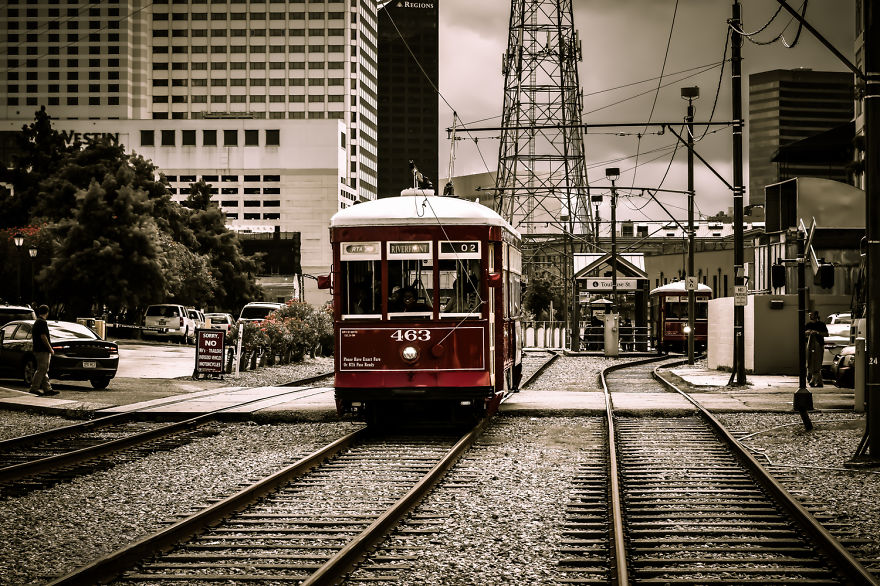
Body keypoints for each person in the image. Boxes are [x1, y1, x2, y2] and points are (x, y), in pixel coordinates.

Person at [28, 304, 58, 396]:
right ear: (47, 312)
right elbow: (43, 337)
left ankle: (47, 389)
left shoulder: (37, 322)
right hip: (42, 350)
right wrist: (50, 348)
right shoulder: (42, 322)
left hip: (38, 349)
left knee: (43, 369)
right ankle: (34, 388)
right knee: (42, 369)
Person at [805, 310, 828, 388]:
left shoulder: (821, 324)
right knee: (810, 362)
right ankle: (820, 382)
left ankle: (813, 380)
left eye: (811, 314)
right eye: (809, 315)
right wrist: (807, 333)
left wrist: (817, 332)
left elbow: (826, 334)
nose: (810, 316)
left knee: (817, 363)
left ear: (816, 315)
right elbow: (803, 334)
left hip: (819, 345)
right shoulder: (808, 325)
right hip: (810, 345)